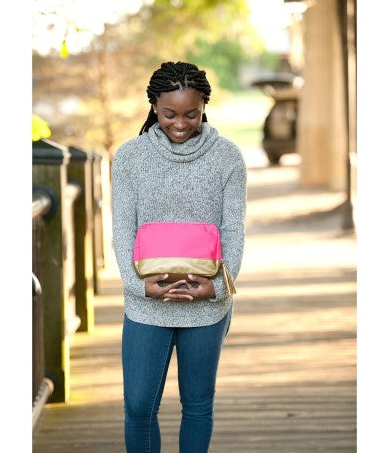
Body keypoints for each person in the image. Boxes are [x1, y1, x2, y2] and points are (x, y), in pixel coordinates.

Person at [111, 61, 247, 453]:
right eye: (170, 114)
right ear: (154, 106)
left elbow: (233, 229)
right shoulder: (131, 157)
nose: (181, 123)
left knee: (198, 406)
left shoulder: (227, 158)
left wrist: (218, 287)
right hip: (145, 306)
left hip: (205, 305)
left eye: (192, 113)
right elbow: (123, 229)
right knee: (138, 407)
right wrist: (138, 286)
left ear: (204, 105)